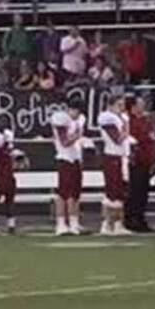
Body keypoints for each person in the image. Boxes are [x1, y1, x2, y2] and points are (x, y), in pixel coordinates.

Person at [97, 96, 131, 236]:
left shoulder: (121, 117)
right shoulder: (107, 117)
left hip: (121, 157)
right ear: (110, 105)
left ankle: (118, 223)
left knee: (120, 192)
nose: (121, 107)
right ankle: (107, 223)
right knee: (112, 192)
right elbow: (117, 138)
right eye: (119, 104)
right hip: (112, 156)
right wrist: (126, 128)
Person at [52, 101, 87, 235]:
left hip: (75, 159)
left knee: (75, 193)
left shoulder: (78, 121)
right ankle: (61, 223)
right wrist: (77, 135)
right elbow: (64, 142)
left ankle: (74, 222)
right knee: (63, 193)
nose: (77, 114)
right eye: (75, 111)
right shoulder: (61, 120)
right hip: (64, 158)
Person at [125, 96, 155, 232]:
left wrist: (154, 161)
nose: (143, 107)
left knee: (143, 192)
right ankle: (131, 219)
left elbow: (151, 140)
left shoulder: (146, 121)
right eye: (140, 104)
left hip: (146, 161)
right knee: (135, 191)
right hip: (136, 161)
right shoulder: (130, 122)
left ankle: (140, 218)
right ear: (133, 107)